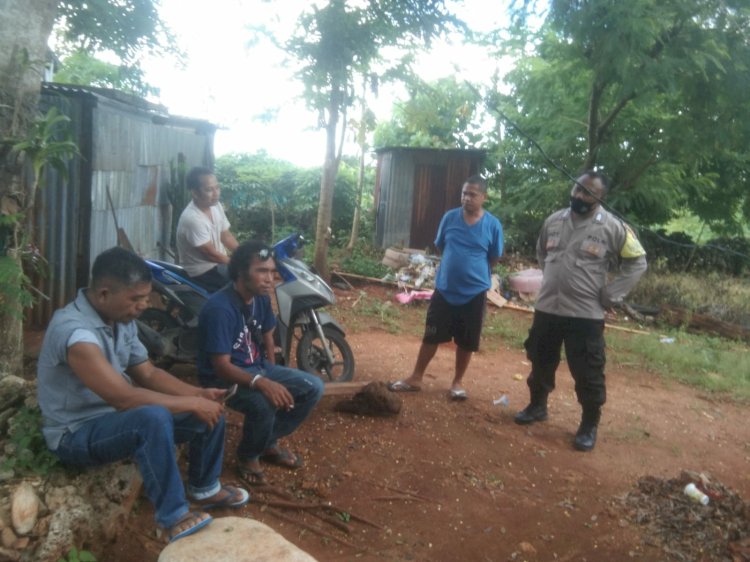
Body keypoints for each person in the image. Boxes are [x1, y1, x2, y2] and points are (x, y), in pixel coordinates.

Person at [36, 247, 249, 543]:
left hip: (114, 421)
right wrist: (191, 402)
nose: (143, 305)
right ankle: (172, 518)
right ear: (104, 294)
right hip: (76, 434)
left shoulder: (121, 321)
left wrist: (199, 393)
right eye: (135, 299)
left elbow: (148, 374)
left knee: (209, 407)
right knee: (151, 418)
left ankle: (205, 487)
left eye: (145, 297)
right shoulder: (75, 333)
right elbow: (124, 398)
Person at [514, 170, 647, 451]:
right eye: (577, 189)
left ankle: (589, 425)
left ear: (601, 197)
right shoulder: (554, 220)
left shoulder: (613, 227)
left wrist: (612, 294)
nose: (579, 195)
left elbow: (637, 263)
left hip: (585, 314)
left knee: (588, 371)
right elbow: (542, 253)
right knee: (540, 360)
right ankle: (537, 406)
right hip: (548, 308)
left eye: (587, 192)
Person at [197, 240, 324, 486]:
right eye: (262, 271)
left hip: (257, 367)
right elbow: (221, 366)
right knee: (264, 402)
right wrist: (263, 383)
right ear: (241, 273)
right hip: (223, 379)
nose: (270, 279)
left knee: (314, 387)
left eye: (272, 272)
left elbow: (268, 333)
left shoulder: (261, 297)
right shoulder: (219, 309)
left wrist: (273, 371)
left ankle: (265, 440)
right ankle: (247, 456)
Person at [387, 175, 504, 400]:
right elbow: (441, 246)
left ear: (484, 197)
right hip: (445, 288)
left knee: (466, 341)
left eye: (472, 194)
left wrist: (472, 271)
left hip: (474, 292)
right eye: (464, 193)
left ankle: (457, 383)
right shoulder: (449, 218)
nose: (466, 198)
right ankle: (416, 377)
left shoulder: (492, 225)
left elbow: (494, 257)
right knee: (431, 335)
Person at [176, 166, 239, 292]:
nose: (216, 193)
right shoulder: (193, 219)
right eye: (209, 189)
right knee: (240, 288)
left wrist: (245, 254)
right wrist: (238, 263)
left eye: (217, 187)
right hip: (202, 270)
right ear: (195, 193)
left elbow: (225, 236)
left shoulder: (215, 206)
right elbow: (211, 254)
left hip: (219, 264)